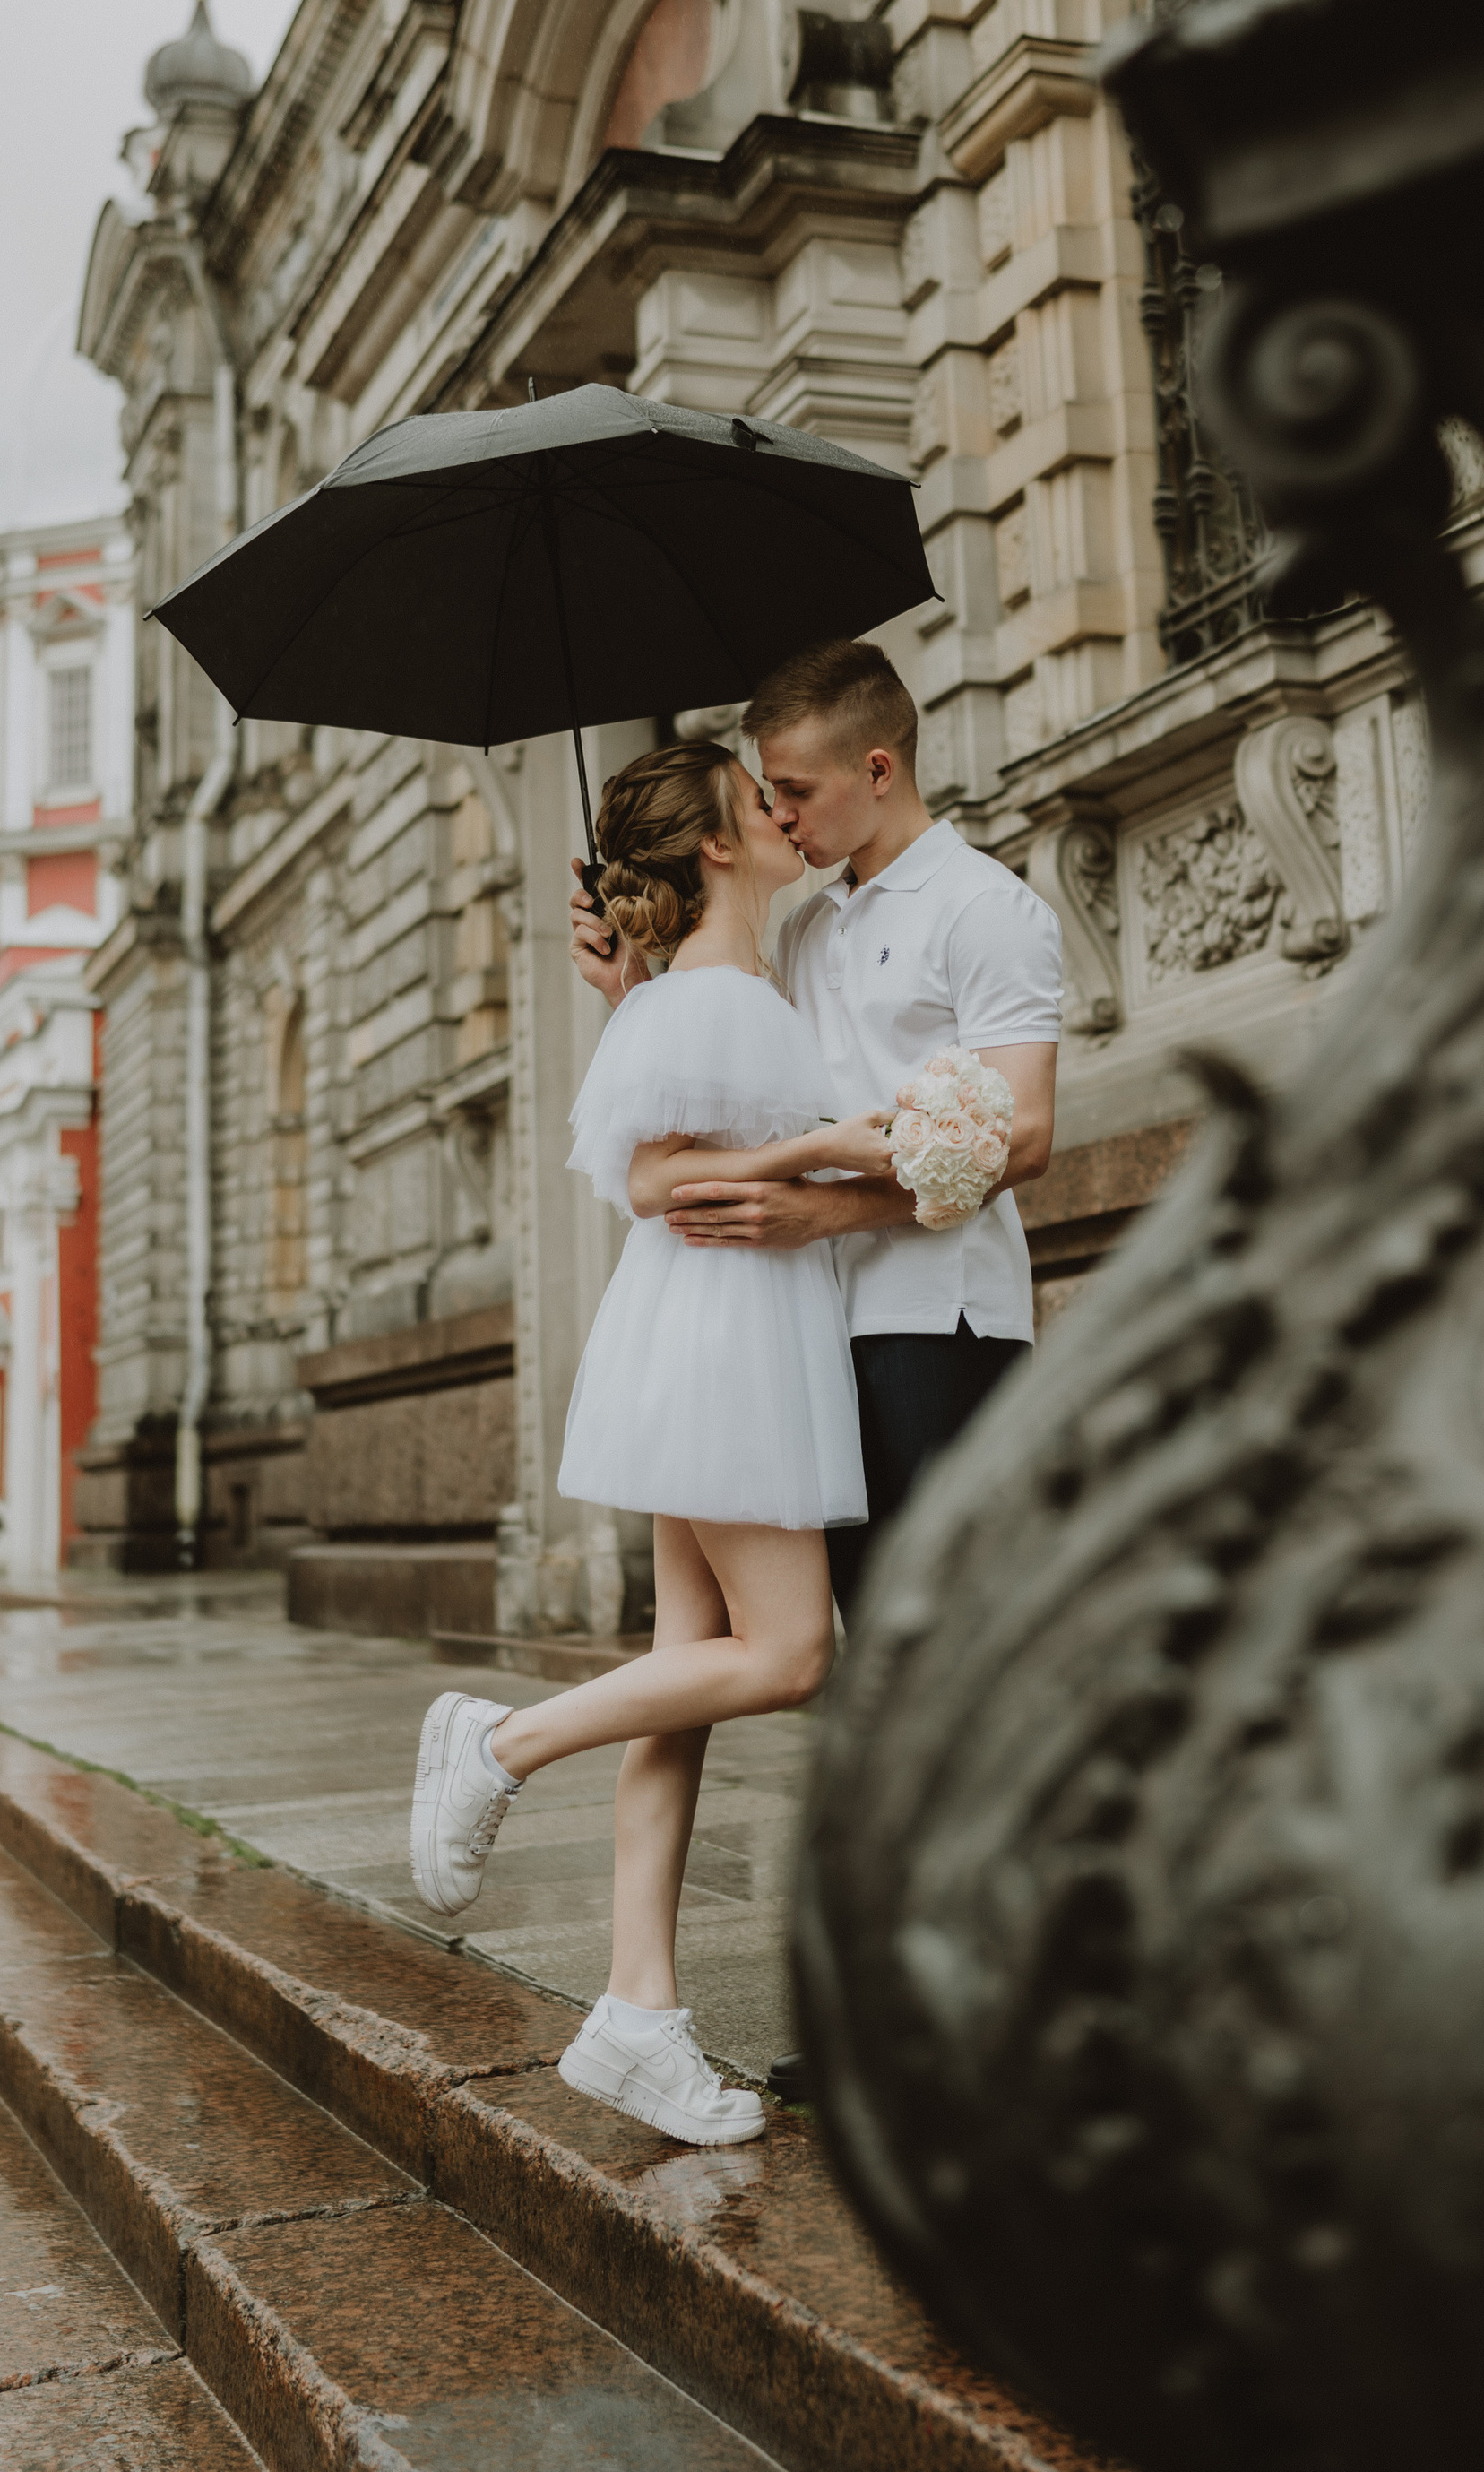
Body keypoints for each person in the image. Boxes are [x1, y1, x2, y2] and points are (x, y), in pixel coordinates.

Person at [408, 736, 897, 2147]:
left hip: (718, 1328)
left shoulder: (717, 992)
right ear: (715, 852)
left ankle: (638, 2014)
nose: (787, 813)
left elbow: (675, 1140)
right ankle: (501, 1742)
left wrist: (646, 1006)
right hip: (728, 1337)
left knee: (687, 1679)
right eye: (763, 801)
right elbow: (651, 1177)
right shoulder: (716, 1002)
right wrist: (826, 1149)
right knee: (793, 1652)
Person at [571, 639, 1063, 1614]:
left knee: (936, 1626)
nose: (780, 814)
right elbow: (721, 1085)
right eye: (766, 794)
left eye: (792, 788)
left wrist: (821, 1215)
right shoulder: (800, 928)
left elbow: (1025, 1136)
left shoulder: (986, 910)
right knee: (854, 1638)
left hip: (937, 1318)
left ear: (876, 769)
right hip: (810, 1327)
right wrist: (625, 980)